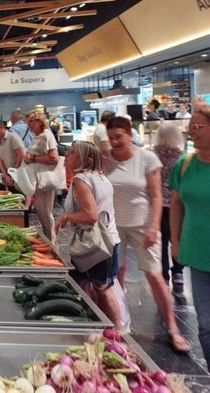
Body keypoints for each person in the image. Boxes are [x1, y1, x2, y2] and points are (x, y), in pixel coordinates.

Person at [105, 116, 190, 352]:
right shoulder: (107, 160)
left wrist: (154, 227)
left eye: (119, 137)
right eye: (111, 138)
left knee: (154, 276)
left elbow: (155, 195)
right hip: (115, 226)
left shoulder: (147, 158)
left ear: (129, 134)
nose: (115, 142)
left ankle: (173, 327)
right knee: (116, 275)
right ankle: (119, 323)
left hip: (143, 224)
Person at [54, 141, 123, 331]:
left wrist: (66, 216)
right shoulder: (100, 178)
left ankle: (119, 334)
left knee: (104, 289)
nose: (66, 154)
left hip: (96, 245)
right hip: (109, 241)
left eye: (72, 152)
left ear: (86, 158)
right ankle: (92, 326)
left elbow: (91, 216)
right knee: (88, 284)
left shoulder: (81, 180)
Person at [170, 104, 210, 364]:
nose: (190, 132)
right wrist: (175, 241)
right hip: (197, 254)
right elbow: (176, 203)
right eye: (190, 127)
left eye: (197, 127)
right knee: (206, 326)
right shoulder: (185, 164)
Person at [153, 121, 186, 297]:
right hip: (176, 203)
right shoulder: (181, 157)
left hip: (158, 203)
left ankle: (164, 274)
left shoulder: (153, 154)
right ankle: (178, 272)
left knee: (162, 241)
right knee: (176, 239)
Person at [23, 111, 60, 241]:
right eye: (27, 122)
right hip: (38, 179)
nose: (29, 125)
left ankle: (53, 243)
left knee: (45, 213)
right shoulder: (37, 136)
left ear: (40, 121)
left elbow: (54, 158)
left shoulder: (46, 135)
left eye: (31, 122)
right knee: (42, 212)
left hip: (45, 179)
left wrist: (33, 158)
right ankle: (49, 240)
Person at [0, 118, 25, 190]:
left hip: (19, 175)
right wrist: (6, 175)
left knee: (22, 196)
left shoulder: (12, 137)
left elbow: (21, 155)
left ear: (1, 127)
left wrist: (13, 172)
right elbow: (0, 160)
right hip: (9, 176)